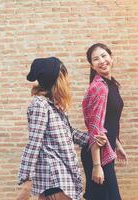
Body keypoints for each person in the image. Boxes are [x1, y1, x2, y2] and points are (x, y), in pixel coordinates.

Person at [16, 57, 107, 200]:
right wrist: (27, 180)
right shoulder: (40, 105)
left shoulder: (55, 106)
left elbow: (69, 133)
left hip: (62, 175)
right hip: (53, 176)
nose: (67, 80)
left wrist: (93, 138)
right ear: (57, 79)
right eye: (64, 75)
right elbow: (34, 143)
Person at [81, 43, 127, 200]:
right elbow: (95, 128)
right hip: (97, 154)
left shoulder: (111, 84)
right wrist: (97, 166)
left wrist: (117, 144)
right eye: (95, 59)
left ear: (111, 57)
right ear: (92, 66)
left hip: (106, 150)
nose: (101, 60)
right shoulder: (99, 88)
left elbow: (109, 122)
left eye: (104, 55)